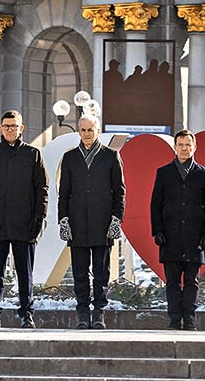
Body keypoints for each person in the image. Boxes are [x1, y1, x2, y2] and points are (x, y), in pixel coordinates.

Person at [0, 110, 47, 329]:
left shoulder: (33, 154)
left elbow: (42, 189)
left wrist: (39, 218)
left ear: (21, 128)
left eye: (14, 126)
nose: (10, 129)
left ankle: (26, 314)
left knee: (25, 272)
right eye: (6, 126)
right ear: (0, 128)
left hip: (25, 223)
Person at [57, 114, 125, 330]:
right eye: (83, 130)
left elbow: (119, 192)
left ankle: (99, 313)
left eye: (90, 130)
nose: (87, 134)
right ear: (79, 131)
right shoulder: (70, 157)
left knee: (101, 272)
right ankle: (82, 312)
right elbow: (64, 192)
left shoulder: (111, 156)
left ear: (98, 131)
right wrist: (63, 220)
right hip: (77, 224)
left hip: (103, 224)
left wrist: (116, 219)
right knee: (79, 272)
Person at [150, 129, 205, 330]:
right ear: (175, 147)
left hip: (195, 237)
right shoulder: (164, 172)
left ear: (194, 147)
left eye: (188, 145)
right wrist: (157, 231)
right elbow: (155, 204)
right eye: (181, 145)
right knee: (172, 281)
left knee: (192, 281)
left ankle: (190, 320)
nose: (184, 148)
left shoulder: (203, 173)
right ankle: (174, 320)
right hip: (170, 236)